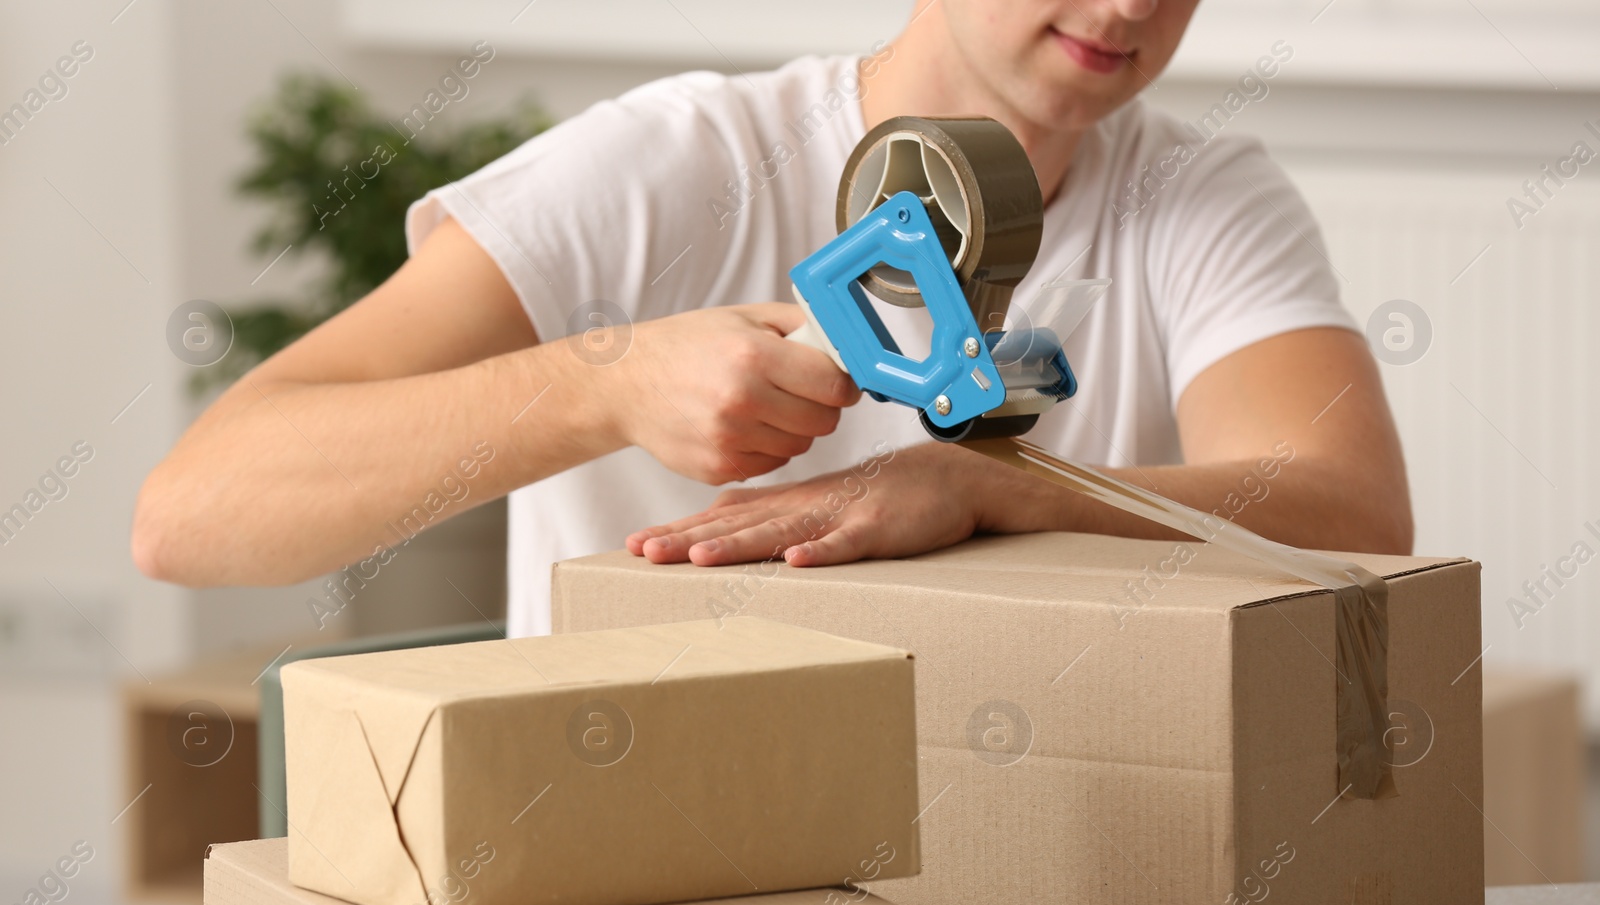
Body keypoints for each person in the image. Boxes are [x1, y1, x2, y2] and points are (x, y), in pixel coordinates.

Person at [132, 0, 1412, 638]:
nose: (1133, 5)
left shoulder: (1203, 196)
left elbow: (1352, 510)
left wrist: (995, 489)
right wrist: (604, 381)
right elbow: (192, 513)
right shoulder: (667, 159)